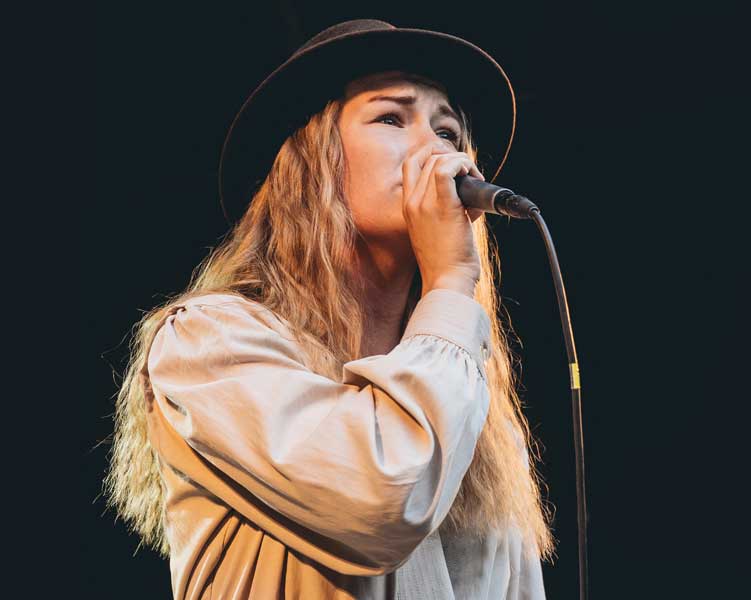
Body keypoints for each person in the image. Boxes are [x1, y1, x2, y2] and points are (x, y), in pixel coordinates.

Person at [102, 20, 556, 599]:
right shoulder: (209, 345)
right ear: (312, 162)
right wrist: (449, 280)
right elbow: (384, 498)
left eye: (449, 131)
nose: (438, 150)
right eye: (391, 118)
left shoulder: (474, 412)